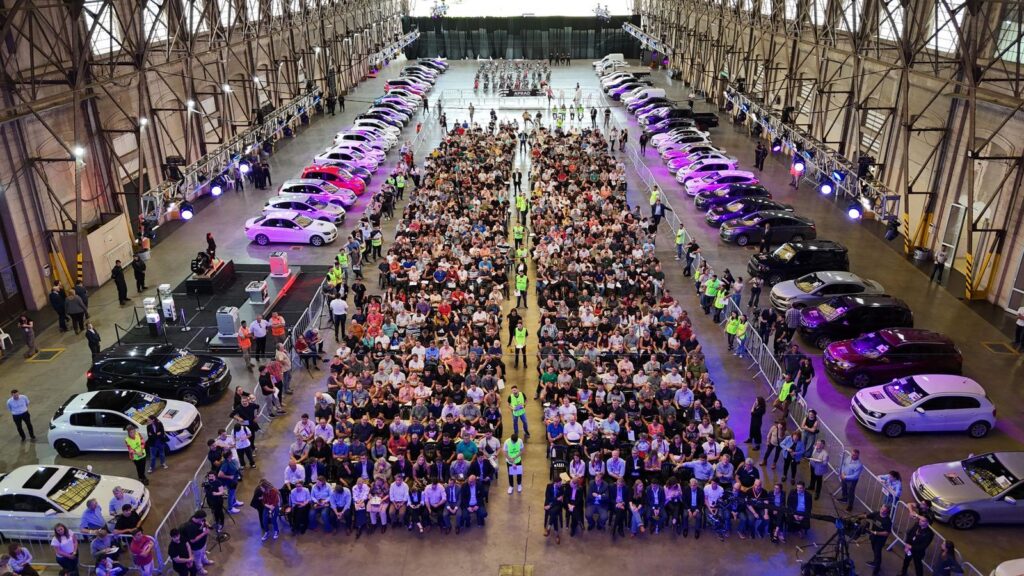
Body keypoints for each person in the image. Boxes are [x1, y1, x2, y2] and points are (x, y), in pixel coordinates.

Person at [866, 504, 892, 576]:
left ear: (887, 512)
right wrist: (859, 517)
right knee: (874, 549)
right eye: (882, 509)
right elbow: (867, 516)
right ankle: (875, 562)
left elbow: (886, 533)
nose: (882, 511)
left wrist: (876, 533)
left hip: (880, 540)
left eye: (884, 510)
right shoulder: (876, 513)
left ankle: (876, 570)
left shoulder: (887, 521)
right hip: (873, 537)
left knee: (877, 553)